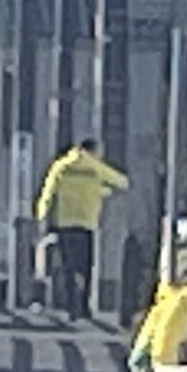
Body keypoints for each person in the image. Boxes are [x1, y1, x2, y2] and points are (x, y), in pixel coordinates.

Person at [33, 136, 131, 321]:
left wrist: (42, 216)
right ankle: (85, 305)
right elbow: (122, 182)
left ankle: (71, 306)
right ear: (93, 150)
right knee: (86, 267)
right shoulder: (95, 166)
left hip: (64, 222)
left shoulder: (61, 166)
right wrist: (103, 193)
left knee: (68, 267)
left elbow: (48, 193)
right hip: (86, 223)